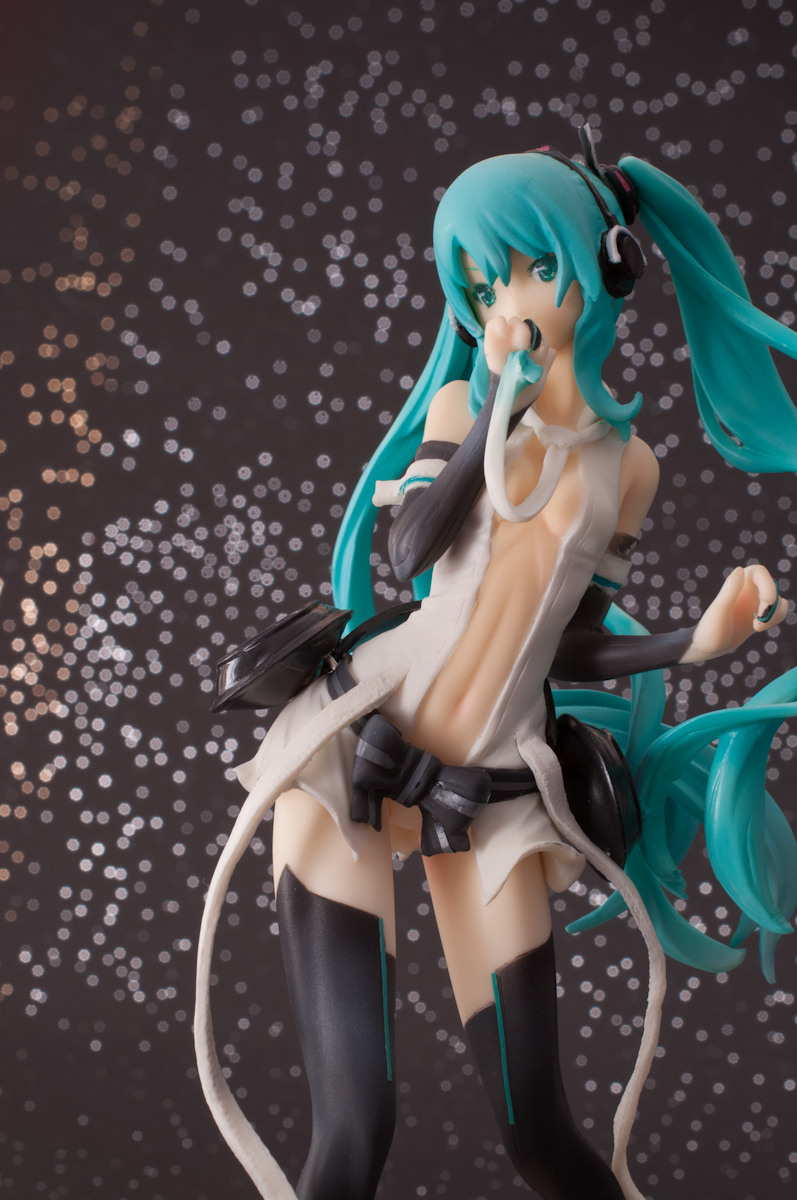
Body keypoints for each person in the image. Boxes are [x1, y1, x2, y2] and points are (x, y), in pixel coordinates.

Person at [195, 137, 797, 1200]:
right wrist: (491, 424)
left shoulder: (627, 468)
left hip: (497, 788)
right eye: (477, 286)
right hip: (357, 748)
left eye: (527, 268)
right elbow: (408, 554)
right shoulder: (458, 413)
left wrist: (691, 646)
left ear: (605, 266)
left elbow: (567, 640)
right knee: (354, 1131)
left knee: (541, 1135)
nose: (503, 304)